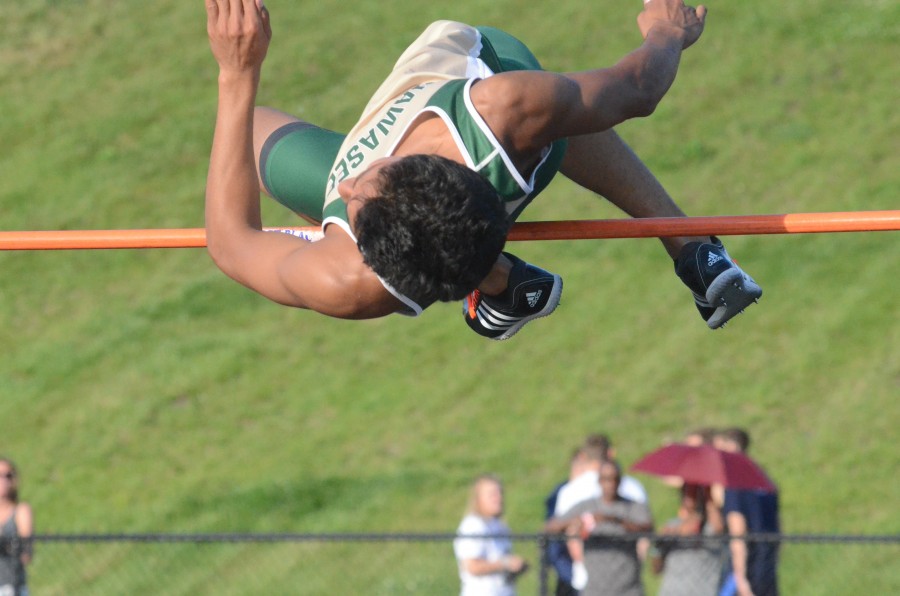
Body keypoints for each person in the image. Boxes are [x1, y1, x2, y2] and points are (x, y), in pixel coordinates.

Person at [204, 0, 763, 341]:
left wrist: (238, 72)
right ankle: (689, 247)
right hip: (496, 107)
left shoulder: (348, 279)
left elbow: (232, 243)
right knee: (552, 110)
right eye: (360, 190)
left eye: (353, 200)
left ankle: (505, 280)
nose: (344, 184)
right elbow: (635, 88)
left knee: (243, 131)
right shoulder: (502, 107)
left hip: (502, 134)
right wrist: (667, 32)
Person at [547, 436, 648, 592]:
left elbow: (647, 528)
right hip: (591, 581)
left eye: (614, 480)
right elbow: (553, 527)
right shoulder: (583, 501)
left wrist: (612, 520)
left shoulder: (630, 497)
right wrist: (577, 523)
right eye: (605, 480)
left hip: (627, 585)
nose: (610, 485)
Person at [714, 428, 780, 596]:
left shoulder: (735, 483)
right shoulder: (763, 478)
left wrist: (740, 577)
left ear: (732, 447)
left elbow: (738, 531)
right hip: (767, 564)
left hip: (747, 567)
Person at [453, 474, 528, 596]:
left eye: (500, 493)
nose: (498, 498)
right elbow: (472, 566)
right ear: (478, 499)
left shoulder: (499, 525)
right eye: (492, 494)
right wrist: (505, 564)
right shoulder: (473, 525)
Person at [651, 483, 726, 596]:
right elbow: (656, 569)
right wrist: (659, 544)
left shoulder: (708, 526)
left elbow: (717, 527)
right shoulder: (672, 525)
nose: (689, 494)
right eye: (686, 489)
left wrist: (707, 492)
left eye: (694, 490)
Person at [0, 458, 32, 596]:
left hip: (11, 587)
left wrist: (8, 547)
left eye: (8, 475)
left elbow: (26, 553)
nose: (3, 481)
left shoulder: (20, 511)